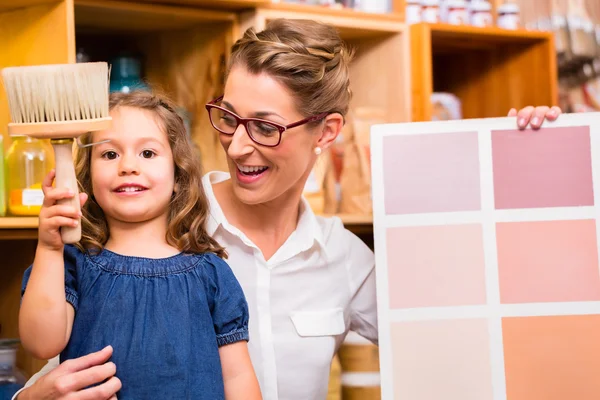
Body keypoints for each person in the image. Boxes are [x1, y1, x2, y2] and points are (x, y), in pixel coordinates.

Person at [13, 18, 561, 400]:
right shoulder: (161, 216)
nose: (239, 145)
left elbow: (479, 329)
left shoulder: (346, 259)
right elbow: (52, 345)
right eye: (228, 118)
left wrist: (529, 161)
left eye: (267, 127)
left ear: (327, 131)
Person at [17, 91, 261, 400]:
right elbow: (41, 344)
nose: (128, 166)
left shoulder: (212, 274)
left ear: (177, 174)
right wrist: (49, 249)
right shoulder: (70, 265)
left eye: (147, 153)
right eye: (109, 154)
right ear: (88, 176)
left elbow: (238, 377)